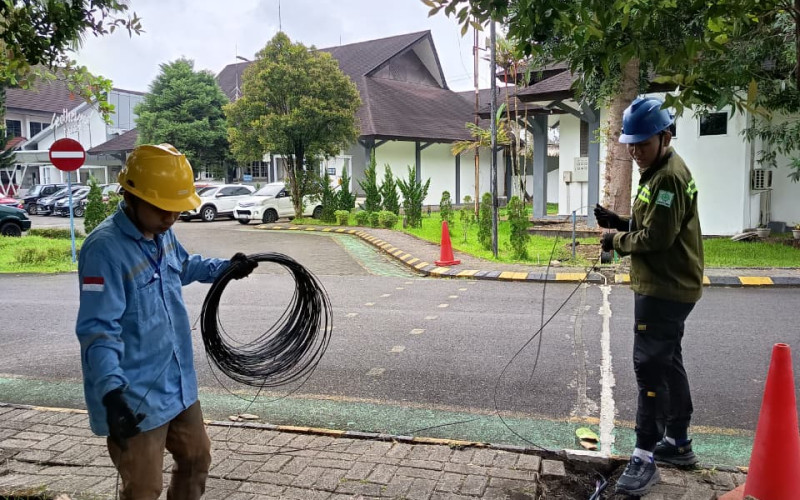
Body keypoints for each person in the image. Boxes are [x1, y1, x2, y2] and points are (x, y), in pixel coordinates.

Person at [75, 143, 258, 499]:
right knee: (143, 488)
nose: (171, 218)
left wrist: (225, 269)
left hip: (177, 385)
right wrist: (112, 394)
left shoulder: (161, 233)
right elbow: (98, 330)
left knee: (196, 459)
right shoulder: (104, 250)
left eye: (176, 210)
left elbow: (184, 266)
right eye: (163, 209)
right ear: (130, 196)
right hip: (133, 395)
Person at [594, 97, 704, 496]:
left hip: (665, 286)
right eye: (631, 143)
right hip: (669, 283)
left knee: (650, 366)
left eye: (641, 142)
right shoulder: (658, 170)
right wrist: (619, 221)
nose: (634, 150)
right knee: (669, 361)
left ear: (664, 136)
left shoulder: (668, 178)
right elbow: (654, 222)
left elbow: (658, 238)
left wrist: (615, 239)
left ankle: (644, 456)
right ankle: (677, 442)